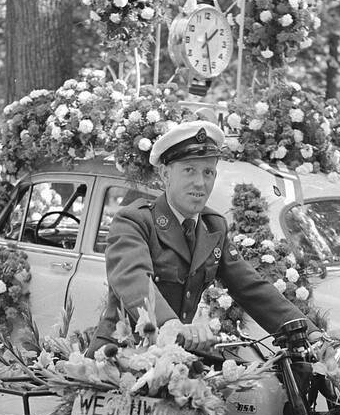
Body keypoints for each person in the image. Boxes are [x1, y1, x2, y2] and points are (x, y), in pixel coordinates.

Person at [91, 120, 314, 352]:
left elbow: (251, 287)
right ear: (165, 174)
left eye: (208, 172)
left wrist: (311, 333)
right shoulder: (134, 221)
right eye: (189, 170)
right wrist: (170, 325)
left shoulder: (213, 226)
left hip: (173, 359)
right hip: (119, 357)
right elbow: (133, 279)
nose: (200, 182)